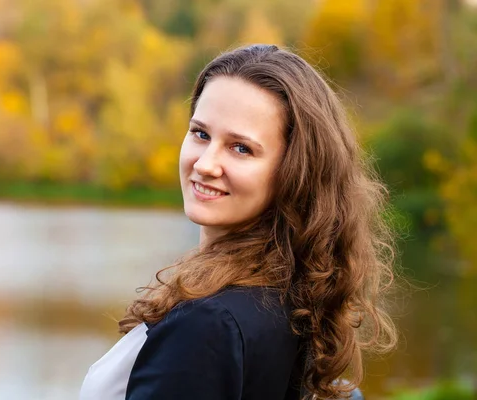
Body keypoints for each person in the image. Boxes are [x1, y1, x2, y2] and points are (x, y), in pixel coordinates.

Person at [79, 44, 397, 399]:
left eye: (241, 148)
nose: (205, 164)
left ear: (294, 172)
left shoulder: (208, 325)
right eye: (200, 133)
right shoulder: (298, 298)